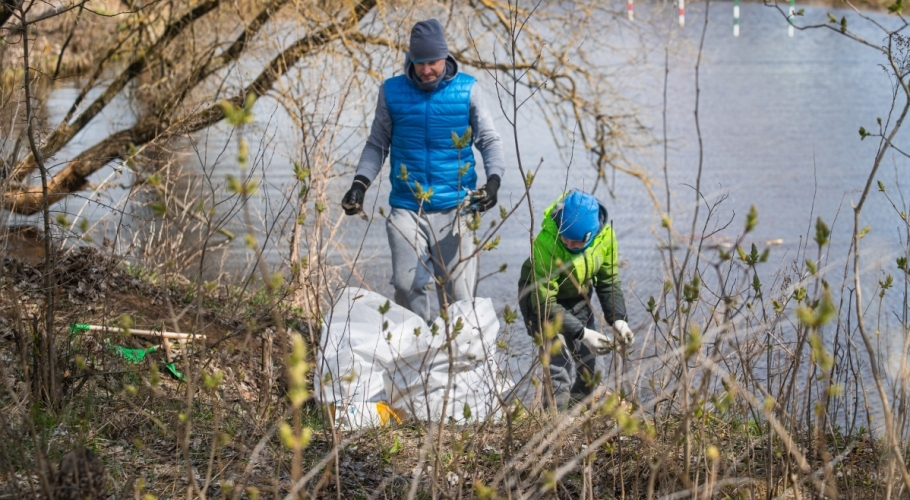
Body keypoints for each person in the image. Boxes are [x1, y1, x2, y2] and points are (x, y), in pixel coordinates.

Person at [341, 18, 505, 324]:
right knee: (406, 286)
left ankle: (454, 347)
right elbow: (377, 144)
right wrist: (359, 184)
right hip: (407, 206)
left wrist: (493, 181)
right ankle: (420, 343)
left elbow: (489, 140)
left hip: (456, 206)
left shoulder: (468, 90)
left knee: (459, 295)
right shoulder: (391, 92)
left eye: (433, 62)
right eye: (420, 63)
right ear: (411, 59)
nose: (426, 70)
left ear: (445, 56)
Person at [517, 190, 634, 408]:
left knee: (592, 367)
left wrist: (618, 319)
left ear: (592, 234)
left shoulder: (605, 237)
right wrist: (583, 333)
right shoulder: (545, 242)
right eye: (565, 239)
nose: (569, 246)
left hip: (577, 297)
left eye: (577, 242)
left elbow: (608, 282)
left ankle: (578, 411)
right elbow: (545, 303)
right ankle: (556, 421)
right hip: (539, 301)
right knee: (558, 365)